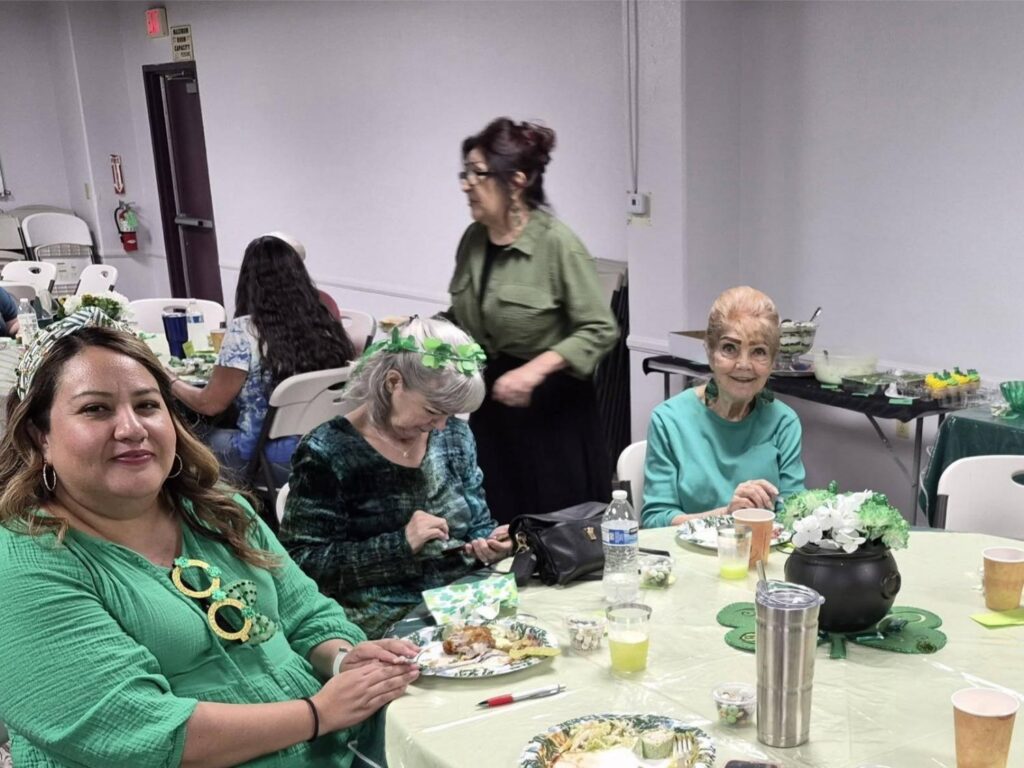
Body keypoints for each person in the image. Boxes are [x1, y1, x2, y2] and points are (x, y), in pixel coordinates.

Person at [0, 308, 419, 767]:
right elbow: (138, 732)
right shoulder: (23, 564)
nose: (132, 428)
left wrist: (345, 662)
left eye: (147, 405)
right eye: (95, 409)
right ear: (40, 435)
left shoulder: (217, 511)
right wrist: (318, 713)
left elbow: (306, 614)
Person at [280, 317, 511, 640]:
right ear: (393, 383)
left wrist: (488, 543)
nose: (442, 426)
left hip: (461, 598)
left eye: (450, 414)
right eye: (432, 411)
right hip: (383, 615)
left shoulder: (454, 436)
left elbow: (476, 523)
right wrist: (400, 545)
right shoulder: (329, 450)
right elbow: (302, 566)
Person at [447, 117, 619, 524]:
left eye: (478, 173)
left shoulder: (557, 244)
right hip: (494, 410)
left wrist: (534, 371)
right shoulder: (474, 240)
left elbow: (600, 328)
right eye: (465, 172)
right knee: (499, 529)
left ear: (518, 179)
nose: (466, 184)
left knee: (558, 539)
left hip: (554, 417)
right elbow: (463, 314)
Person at [170, 233, 355, 484]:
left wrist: (170, 380)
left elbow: (209, 404)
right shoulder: (326, 324)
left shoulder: (244, 330)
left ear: (249, 281)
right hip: (326, 451)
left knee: (180, 433)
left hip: (265, 458)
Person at [641, 286, 807, 528]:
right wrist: (727, 514)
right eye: (729, 348)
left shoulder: (784, 421)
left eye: (759, 351)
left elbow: (795, 513)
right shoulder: (669, 420)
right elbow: (656, 520)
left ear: (772, 362)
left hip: (761, 560)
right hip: (688, 560)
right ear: (710, 352)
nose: (743, 364)